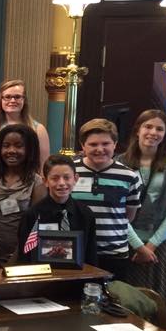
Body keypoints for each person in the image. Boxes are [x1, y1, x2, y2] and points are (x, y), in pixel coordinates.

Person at [119, 109, 166, 300]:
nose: (153, 132)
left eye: (159, 129)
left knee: (155, 298)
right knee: (126, 297)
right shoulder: (120, 162)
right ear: (137, 130)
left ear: (165, 134)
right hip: (126, 240)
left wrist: (151, 246)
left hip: (158, 241)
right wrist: (138, 246)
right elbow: (116, 211)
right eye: (148, 126)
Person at [70, 119, 143, 281]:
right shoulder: (70, 172)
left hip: (113, 253)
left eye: (105, 144)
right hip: (76, 250)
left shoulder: (129, 176)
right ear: (83, 146)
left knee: (112, 295)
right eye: (93, 144)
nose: (100, 149)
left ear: (115, 144)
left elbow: (128, 216)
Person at [0, 124, 47, 268]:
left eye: (18, 146)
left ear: (29, 149)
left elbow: (34, 228)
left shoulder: (36, 183)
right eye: (6, 146)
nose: (11, 150)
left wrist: (12, 262)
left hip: (22, 259)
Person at [18, 154, 97, 266]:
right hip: (43, 274)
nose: (61, 183)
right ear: (45, 181)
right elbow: (24, 256)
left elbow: (91, 254)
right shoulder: (32, 215)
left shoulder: (86, 214)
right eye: (55, 178)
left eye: (66, 177)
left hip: (79, 274)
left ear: (75, 179)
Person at [0, 80, 50, 167]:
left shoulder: (39, 129)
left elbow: (43, 166)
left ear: (24, 100)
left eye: (17, 97)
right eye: (7, 97)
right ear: (0, 100)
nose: (12, 100)